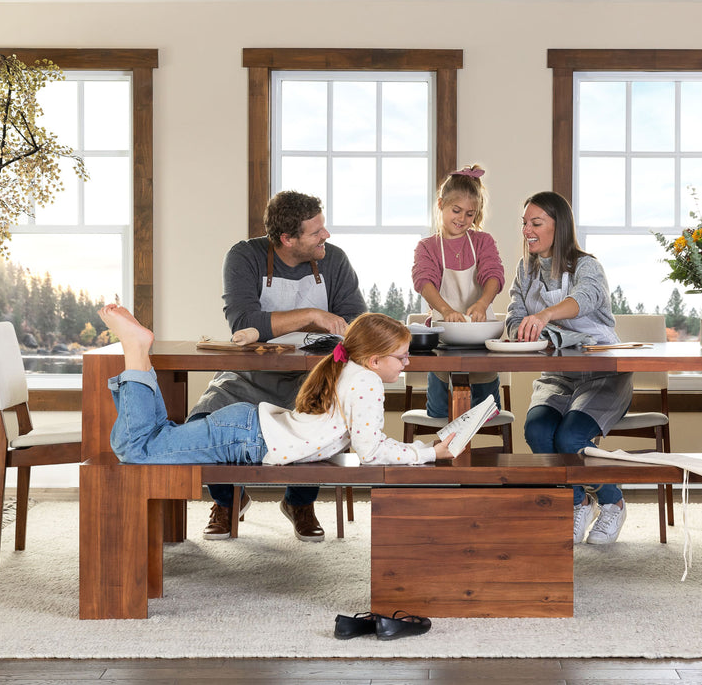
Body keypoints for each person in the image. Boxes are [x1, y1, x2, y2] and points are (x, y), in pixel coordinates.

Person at [189, 191, 366, 542]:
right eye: (316, 232)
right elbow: (243, 322)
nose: (326, 236)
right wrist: (315, 315)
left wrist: (275, 324)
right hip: (248, 373)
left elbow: (355, 321)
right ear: (287, 239)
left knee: (322, 421)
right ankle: (229, 498)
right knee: (205, 421)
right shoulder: (245, 257)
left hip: (312, 376)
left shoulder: (334, 260)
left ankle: (300, 502)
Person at [101, 305, 455, 470]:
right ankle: (136, 348)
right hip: (246, 437)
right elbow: (371, 452)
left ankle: (138, 354)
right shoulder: (367, 383)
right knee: (137, 450)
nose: (407, 364)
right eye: (402, 358)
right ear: (375, 360)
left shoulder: (349, 367)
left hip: (246, 429)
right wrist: (427, 452)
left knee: (148, 442)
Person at [506, 191, 633, 546]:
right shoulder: (525, 270)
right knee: (537, 431)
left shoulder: (587, 266)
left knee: (570, 438)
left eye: (536, 223)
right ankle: (578, 502)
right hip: (559, 377)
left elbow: (585, 299)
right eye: (525, 223)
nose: (527, 230)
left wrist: (545, 317)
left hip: (603, 376)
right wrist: (523, 328)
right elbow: (514, 316)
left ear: (558, 226)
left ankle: (613, 500)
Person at [411, 165, 505, 418]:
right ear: (441, 204)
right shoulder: (427, 247)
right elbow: (424, 282)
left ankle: (476, 458)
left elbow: (494, 275)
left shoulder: (483, 241)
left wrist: (483, 303)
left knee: (486, 415)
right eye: (456, 210)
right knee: (441, 414)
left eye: (469, 214)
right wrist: (446, 310)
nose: (462, 219)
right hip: (444, 339)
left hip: (481, 338)